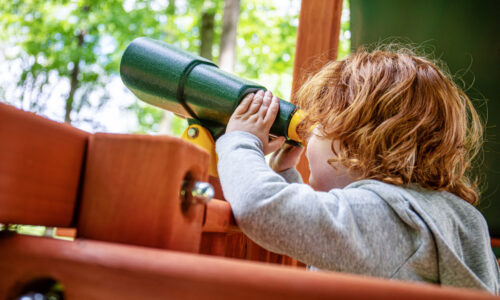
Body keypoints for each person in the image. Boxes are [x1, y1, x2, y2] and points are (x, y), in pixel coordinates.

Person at [215, 48, 500, 293]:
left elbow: (262, 207)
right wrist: (284, 174)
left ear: (357, 138)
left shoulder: (388, 216)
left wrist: (241, 140)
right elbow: (327, 226)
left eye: (319, 127)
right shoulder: (454, 218)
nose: (309, 137)